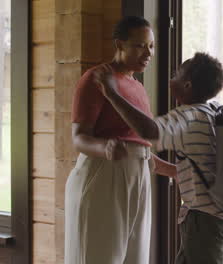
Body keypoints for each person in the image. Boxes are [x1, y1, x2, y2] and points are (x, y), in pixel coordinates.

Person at [94, 52, 223, 264]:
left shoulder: (188, 116)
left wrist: (111, 92)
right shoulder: (212, 112)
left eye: (176, 74)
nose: (171, 78)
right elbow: (193, 161)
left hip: (205, 218)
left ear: (187, 85)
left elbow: (149, 130)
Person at [65, 16, 176, 264]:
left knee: (135, 259)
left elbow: (140, 148)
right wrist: (104, 147)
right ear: (120, 44)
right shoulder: (96, 79)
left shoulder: (137, 87)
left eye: (151, 46)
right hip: (105, 174)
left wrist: (176, 172)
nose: (148, 53)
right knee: (100, 256)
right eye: (139, 45)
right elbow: (79, 138)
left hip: (139, 178)